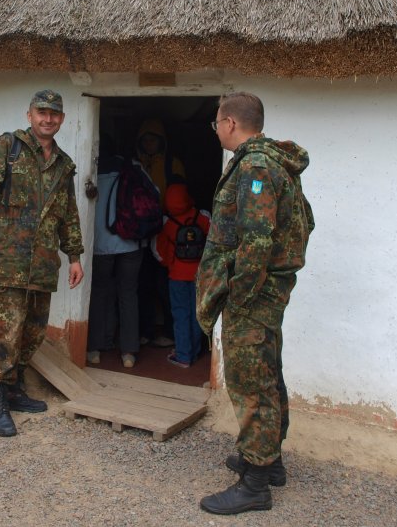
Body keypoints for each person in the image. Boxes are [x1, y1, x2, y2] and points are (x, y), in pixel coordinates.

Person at [196, 92, 315, 515]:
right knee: (265, 372)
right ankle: (268, 461)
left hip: (255, 295)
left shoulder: (256, 167)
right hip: (268, 292)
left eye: (217, 124)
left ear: (230, 123)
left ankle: (255, 485)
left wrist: (241, 294)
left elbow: (256, 240)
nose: (216, 131)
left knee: (251, 383)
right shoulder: (269, 162)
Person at [0, 89, 85, 438]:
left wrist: (74, 256)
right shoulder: (7, 147)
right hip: (7, 259)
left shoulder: (63, 164)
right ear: (29, 114)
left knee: (32, 331)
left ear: (62, 119)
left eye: (54, 114)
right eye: (41, 112)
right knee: (5, 332)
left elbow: (68, 214)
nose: (48, 119)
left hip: (43, 264)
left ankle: (15, 389)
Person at [87, 137, 142, 368]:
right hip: (130, 243)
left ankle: (95, 348)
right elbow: (154, 194)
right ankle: (129, 352)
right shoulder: (134, 168)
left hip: (101, 244)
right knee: (128, 294)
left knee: (99, 294)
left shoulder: (91, 170)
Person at [135, 119, 186, 346]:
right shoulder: (136, 164)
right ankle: (145, 331)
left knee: (165, 284)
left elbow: (180, 198)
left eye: (153, 140)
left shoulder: (172, 164)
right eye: (145, 140)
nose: (149, 144)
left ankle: (169, 332)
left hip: (166, 231)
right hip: (141, 232)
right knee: (143, 283)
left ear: (161, 142)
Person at [154, 182, 210, 369]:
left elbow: (159, 251)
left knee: (180, 314)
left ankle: (183, 355)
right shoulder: (202, 217)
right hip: (199, 275)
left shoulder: (168, 223)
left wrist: (169, 264)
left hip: (177, 276)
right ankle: (194, 351)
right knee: (196, 314)